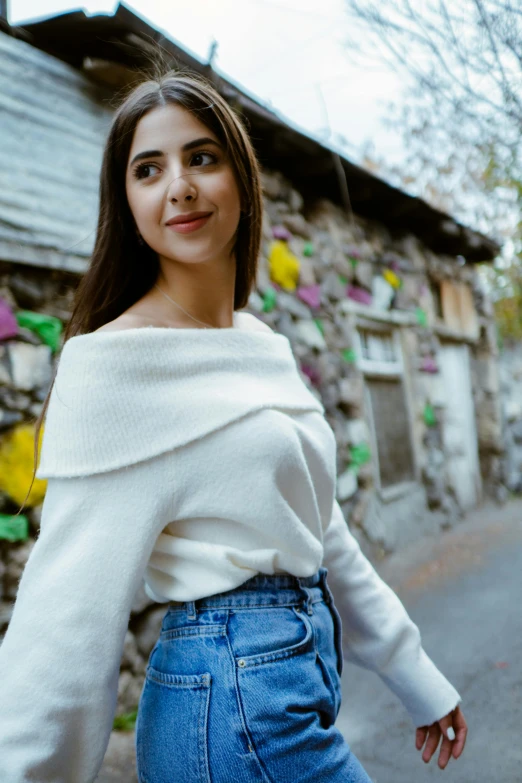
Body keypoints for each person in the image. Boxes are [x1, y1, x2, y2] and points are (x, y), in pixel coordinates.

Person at [0, 70, 467, 782]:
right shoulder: (116, 366)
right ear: (126, 204)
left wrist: (413, 670)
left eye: (202, 157)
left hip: (289, 690)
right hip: (228, 706)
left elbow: (321, 531)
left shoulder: (261, 343)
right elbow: (65, 617)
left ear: (243, 184)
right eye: (148, 169)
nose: (178, 185)